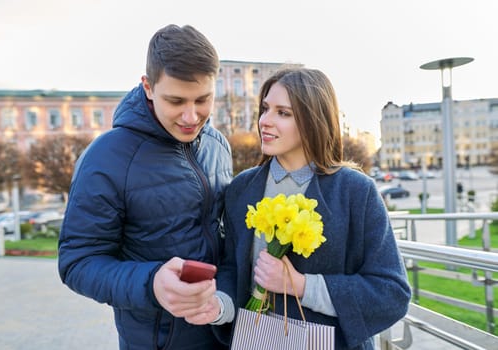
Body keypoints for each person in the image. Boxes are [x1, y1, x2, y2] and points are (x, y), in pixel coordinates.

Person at [188, 67, 411, 349]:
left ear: (313, 120)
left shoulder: (356, 191)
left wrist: (301, 285)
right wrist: (220, 306)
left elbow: (392, 293)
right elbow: (234, 269)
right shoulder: (242, 189)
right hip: (252, 341)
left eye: (283, 113)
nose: (265, 121)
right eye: (266, 109)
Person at [58, 24, 233, 350]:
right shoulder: (105, 157)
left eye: (203, 100)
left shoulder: (219, 145)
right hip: (154, 341)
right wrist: (152, 284)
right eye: (176, 100)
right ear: (148, 87)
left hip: (221, 331)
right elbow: (77, 263)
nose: (191, 116)